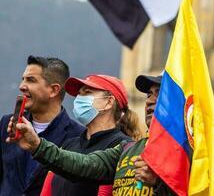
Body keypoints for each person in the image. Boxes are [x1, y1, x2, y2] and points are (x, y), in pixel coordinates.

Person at [7, 74, 177, 195]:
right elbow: (85, 165)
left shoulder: (188, 150)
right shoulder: (127, 149)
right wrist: (37, 145)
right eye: (148, 94)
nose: (150, 100)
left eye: (87, 93)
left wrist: (160, 183)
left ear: (109, 102)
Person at [40, 74, 141, 196]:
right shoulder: (68, 145)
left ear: (108, 102)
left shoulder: (122, 148)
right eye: (79, 94)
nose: (78, 98)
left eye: (87, 92)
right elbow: (46, 192)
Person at [0, 55, 84, 196]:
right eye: (23, 79)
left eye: (31, 80)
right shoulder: (7, 124)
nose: (21, 86)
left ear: (54, 90)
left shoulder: (78, 136)